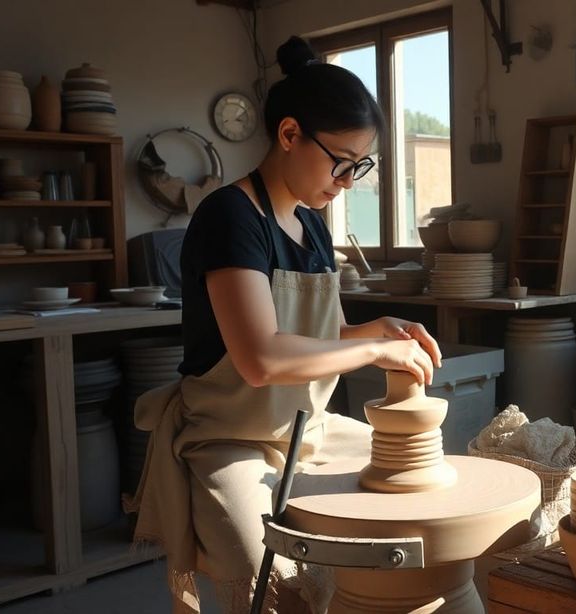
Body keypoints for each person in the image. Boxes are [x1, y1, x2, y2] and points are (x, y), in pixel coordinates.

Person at [125, 36, 441, 613]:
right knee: (269, 574)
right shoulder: (230, 216)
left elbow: (325, 340)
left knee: (403, 509)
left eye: (359, 167)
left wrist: (377, 331)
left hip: (306, 431)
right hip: (231, 437)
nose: (348, 182)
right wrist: (372, 354)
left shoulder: (312, 225)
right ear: (290, 135)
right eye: (341, 163)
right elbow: (262, 358)